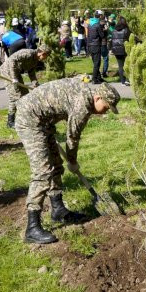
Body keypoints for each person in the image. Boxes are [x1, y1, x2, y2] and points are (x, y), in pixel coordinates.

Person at [16, 79, 120, 244]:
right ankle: (32, 227)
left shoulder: (85, 92)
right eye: (106, 108)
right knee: (43, 172)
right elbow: (72, 137)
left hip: (44, 121)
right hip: (30, 120)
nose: (104, 112)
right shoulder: (82, 105)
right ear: (98, 98)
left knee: (56, 165)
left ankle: (58, 209)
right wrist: (72, 161)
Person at [0, 45, 50, 128]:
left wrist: (35, 84)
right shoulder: (27, 53)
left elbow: (31, 72)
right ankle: (10, 122)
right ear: (41, 52)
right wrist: (14, 78)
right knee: (15, 96)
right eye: (45, 55)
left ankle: (25, 118)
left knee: (25, 95)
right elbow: (12, 60)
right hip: (7, 72)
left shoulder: (35, 60)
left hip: (16, 73)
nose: (45, 58)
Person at [110, 16, 131, 85]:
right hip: (124, 49)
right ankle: (127, 80)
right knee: (127, 65)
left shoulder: (114, 30)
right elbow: (130, 38)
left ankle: (122, 81)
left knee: (120, 66)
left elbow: (112, 40)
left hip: (116, 50)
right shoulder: (126, 30)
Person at [87, 10, 106, 84]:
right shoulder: (98, 25)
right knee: (97, 63)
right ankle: (94, 79)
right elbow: (102, 36)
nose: (102, 17)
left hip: (90, 45)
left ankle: (99, 78)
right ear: (100, 16)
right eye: (102, 15)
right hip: (96, 45)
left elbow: (88, 36)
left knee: (95, 62)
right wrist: (105, 30)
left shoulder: (90, 24)